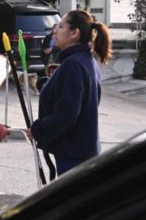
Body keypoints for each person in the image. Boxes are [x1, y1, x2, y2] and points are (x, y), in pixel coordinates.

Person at [26, 10, 112, 176]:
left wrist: (38, 129)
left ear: (74, 33)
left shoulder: (73, 65)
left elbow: (66, 115)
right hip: (81, 151)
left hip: (74, 156)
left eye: (61, 26)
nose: (55, 30)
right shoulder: (84, 60)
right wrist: (47, 85)